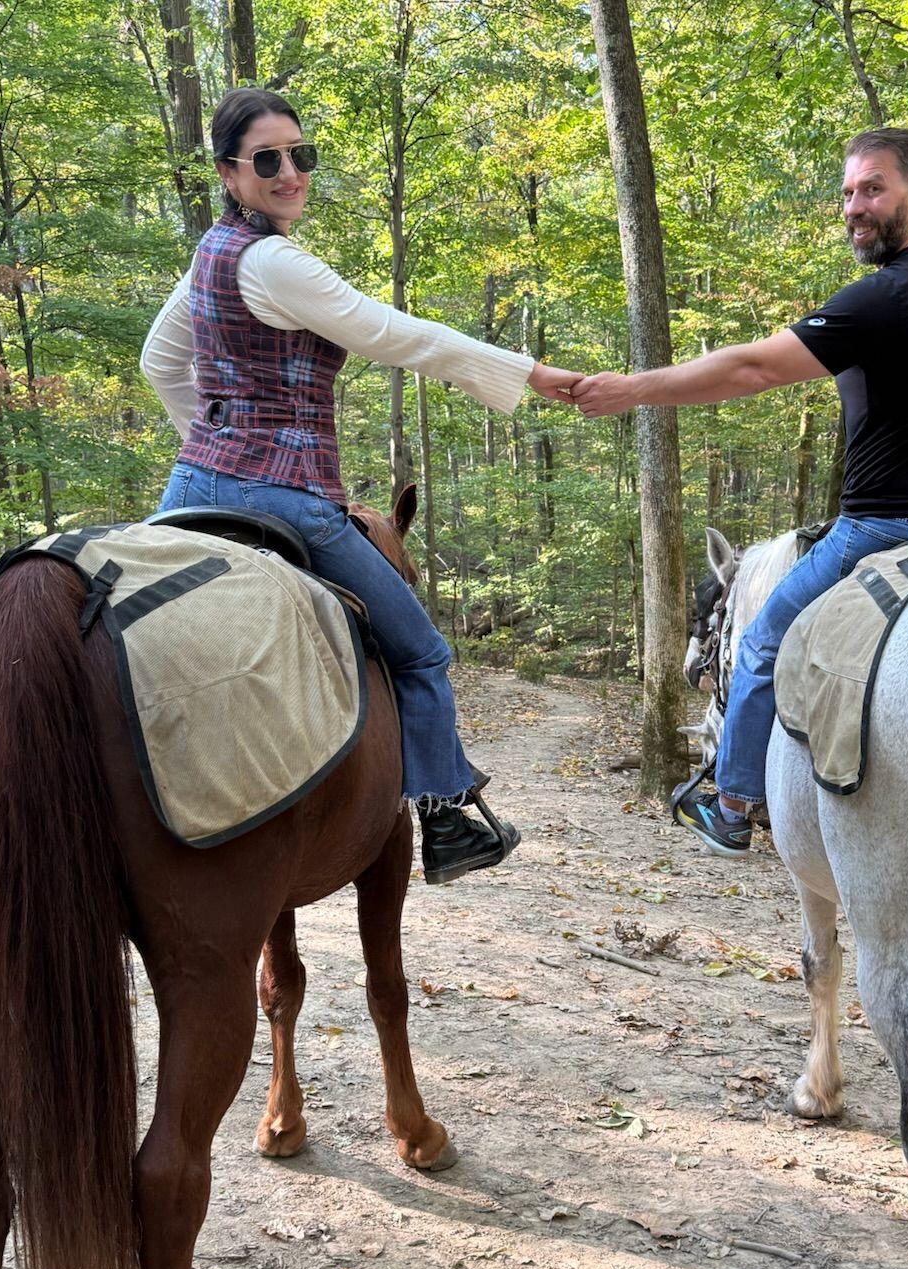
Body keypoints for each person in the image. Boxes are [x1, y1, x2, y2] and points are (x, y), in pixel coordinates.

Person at [141, 88, 581, 884]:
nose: (289, 173)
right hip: (285, 499)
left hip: (188, 490)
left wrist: (211, 444)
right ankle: (446, 818)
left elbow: (160, 365)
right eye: (266, 161)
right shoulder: (277, 262)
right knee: (420, 653)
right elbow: (394, 334)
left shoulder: (211, 254)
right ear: (228, 174)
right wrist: (529, 373)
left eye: (300, 156)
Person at [572, 128, 908, 856]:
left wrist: (631, 391)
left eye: (872, 188)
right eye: (847, 193)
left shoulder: (885, 296)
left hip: (885, 531)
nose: (854, 207)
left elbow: (752, 370)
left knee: (762, 641)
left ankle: (733, 801)